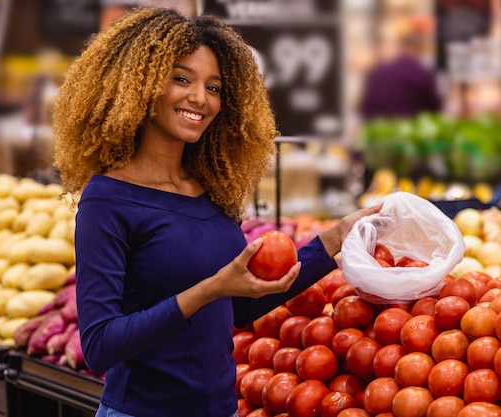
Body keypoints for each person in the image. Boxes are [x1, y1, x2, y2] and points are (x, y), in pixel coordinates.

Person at [52, 6, 381, 417]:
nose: (200, 99)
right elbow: (100, 346)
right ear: (139, 86)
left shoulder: (210, 191)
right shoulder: (108, 199)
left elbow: (240, 306)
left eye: (214, 87)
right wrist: (209, 288)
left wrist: (334, 239)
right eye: (182, 79)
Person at [358, 32, 442, 120]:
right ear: (417, 50)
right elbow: (434, 109)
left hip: (375, 127)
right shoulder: (420, 73)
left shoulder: (378, 70)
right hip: (407, 128)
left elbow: (364, 108)